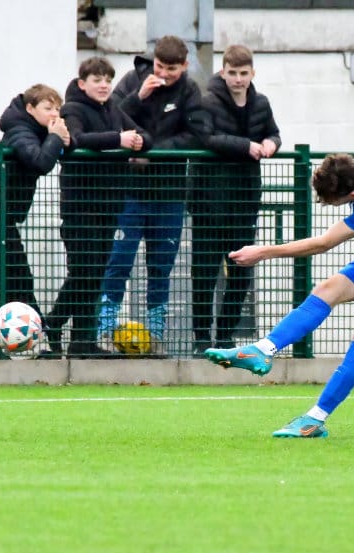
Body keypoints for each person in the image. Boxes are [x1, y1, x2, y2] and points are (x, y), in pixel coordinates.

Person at [205, 153, 354, 438]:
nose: (327, 204)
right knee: (325, 290)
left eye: (332, 201)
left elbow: (323, 244)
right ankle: (263, 350)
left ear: (353, 194)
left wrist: (263, 252)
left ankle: (314, 420)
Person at [97, 35, 209, 356]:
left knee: (160, 268)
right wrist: (138, 97)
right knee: (119, 262)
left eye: (172, 69)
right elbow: (110, 117)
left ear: (184, 66)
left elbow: (197, 134)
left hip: (169, 194)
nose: (165, 74)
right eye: (161, 66)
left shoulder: (189, 90)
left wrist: (152, 152)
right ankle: (104, 329)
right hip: (130, 191)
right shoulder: (133, 81)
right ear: (154, 60)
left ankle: (155, 336)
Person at [43, 56, 148, 359]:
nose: (104, 85)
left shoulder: (113, 109)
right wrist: (119, 139)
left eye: (107, 80)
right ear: (82, 83)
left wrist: (138, 142)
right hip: (81, 206)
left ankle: (80, 341)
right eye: (97, 80)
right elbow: (78, 140)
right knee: (83, 271)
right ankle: (54, 323)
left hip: (109, 205)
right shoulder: (72, 109)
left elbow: (143, 136)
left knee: (94, 273)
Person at [191, 44, 282, 356]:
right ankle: (202, 339)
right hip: (209, 202)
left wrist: (271, 143)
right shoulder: (207, 101)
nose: (238, 79)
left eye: (244, 73)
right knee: (204, 273)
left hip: (244, 201)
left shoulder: (261, 103)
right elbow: (206, 138)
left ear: (252, 73)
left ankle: (226, 336)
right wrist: (246, 146)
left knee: (241, 271)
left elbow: (274, 133)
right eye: (233, 73)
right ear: (223, 72)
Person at [0, 84, 69, 324]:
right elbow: (39, 161)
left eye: (57, 109)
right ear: (30, 108)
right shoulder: (20, 131)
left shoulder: (36, 131)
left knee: (18, 277)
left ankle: (38, 330)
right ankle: (38, 331)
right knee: (18, 278)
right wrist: (55, 137)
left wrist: (62, 139)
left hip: (7, 217)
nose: (54, 114)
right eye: (48, 108)